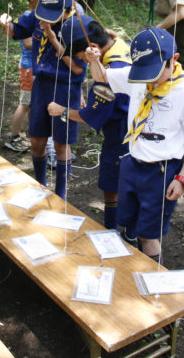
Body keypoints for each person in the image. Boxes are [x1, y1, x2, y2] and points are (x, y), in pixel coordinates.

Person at [85, 27, 184, 261]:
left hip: (162, 171)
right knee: (128, 220)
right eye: (145, 70)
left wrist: (182, 177)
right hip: (132, 163)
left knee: (149, 235)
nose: (149, 78)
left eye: (155, 71)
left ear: (175, 60)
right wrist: (94, 61)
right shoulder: (137, 76)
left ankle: (153, 278)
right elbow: (102, 77)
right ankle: (132, 258)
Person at [0, 0, 88, 199]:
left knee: (61, 144)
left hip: (66, 88)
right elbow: (14, 31)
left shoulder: (78, 24)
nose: (46, 16)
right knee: (37, 140)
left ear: (66, 7)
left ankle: (60, 194)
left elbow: (78, 70)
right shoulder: (36, 15)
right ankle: (40, 186)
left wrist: (51, 36)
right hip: (41, 85)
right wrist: (5, 22)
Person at [47, 16, 131, 229]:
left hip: (121, 132)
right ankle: (129, 229)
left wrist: (62, 111)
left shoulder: (110, 73)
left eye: (80, 57)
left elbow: (90, 114)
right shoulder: (120, 46)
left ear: (93, 47)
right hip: (136, 124)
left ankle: (114, 230)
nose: (81, 61)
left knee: (112, 183)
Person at [4, 0, 45, 153]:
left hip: (33, 66)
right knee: (25, 103)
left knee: (31, 103)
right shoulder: (28, 17)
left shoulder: (38, 15)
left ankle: (30, 132)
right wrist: (43, 38)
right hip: (29, 67)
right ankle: (13, 137)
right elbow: (27, 43)